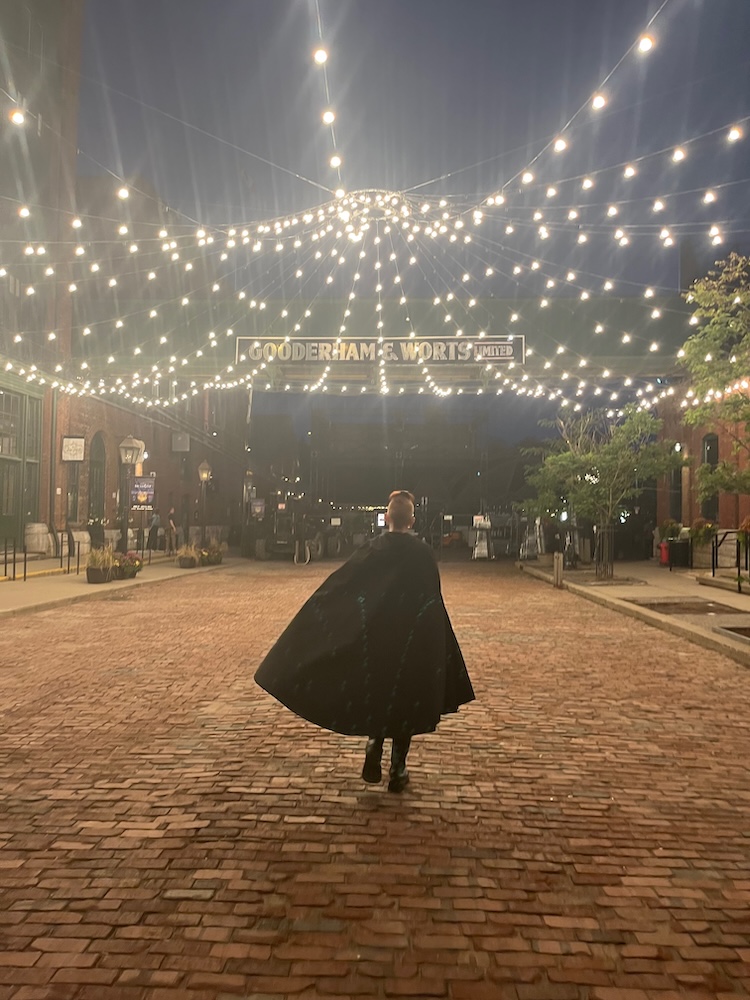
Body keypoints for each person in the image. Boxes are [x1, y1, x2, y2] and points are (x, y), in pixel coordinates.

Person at [255, 490, 474, 793]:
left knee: (380, 693)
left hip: (378, 639)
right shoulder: (422, 553)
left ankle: (375, 743)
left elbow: (342, 588)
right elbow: (432, 601)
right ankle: (398, 769)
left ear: (387, 518)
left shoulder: (372, 551)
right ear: (411, 519)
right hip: (411, 641)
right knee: (405, 702)